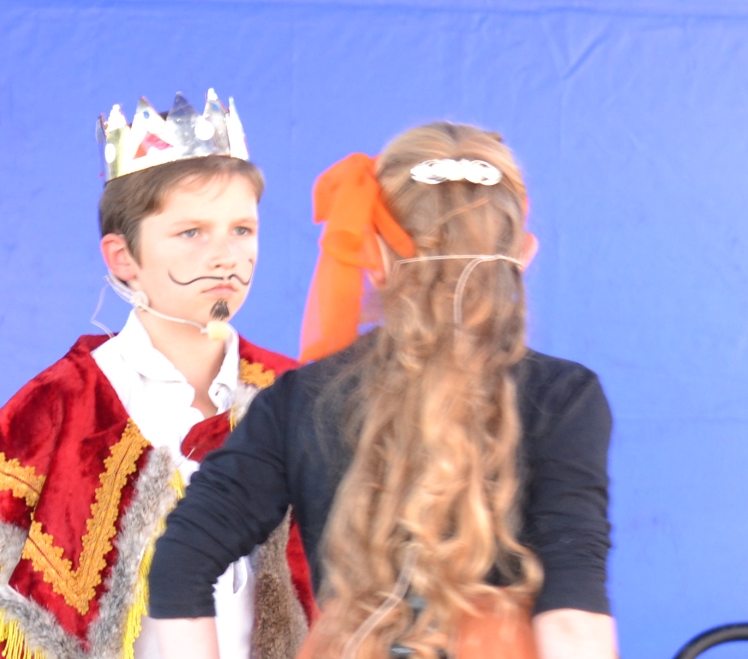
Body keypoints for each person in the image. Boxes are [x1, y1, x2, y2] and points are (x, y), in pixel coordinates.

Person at [147, 122, 616, 659]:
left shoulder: (301, 399)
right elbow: (573, 607)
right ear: (522, 252)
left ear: (374, 253)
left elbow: (181, 562)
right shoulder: (565, 397)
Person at [0, 90, 315, 659]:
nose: (226, 256)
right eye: (192, 233)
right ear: (123, 258)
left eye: (242, 230)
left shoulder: (298, 396)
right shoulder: (57, 407)